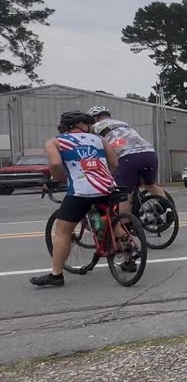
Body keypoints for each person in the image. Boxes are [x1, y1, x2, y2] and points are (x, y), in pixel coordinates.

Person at [30, 111, 121, 287]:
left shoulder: (55, 142)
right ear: (79, 125)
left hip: (81, 191)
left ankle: (56, 275)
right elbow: (115, 163)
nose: (91, 127)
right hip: (107, 188)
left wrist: (58, 179)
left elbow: (55, 164)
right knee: (113, 220)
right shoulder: (100, 140)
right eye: (88, 124)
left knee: (63, 232)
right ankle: (129, 253)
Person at [87, 106, 170, 218]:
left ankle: (124, 224)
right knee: (150, 185)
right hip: (149, 153)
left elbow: (93, 147)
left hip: (128, 156)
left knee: (124, 194)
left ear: (95, 118)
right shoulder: (122, 123)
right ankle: (169, 209)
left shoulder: (95, 127)